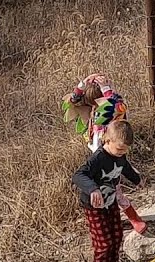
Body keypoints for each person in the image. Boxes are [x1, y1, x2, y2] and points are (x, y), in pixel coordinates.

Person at [62, 73, 148, 234]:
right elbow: (72, 101)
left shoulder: (111, 110)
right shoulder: (93, 109)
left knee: (116, 190)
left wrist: (105, 89)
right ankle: (112, 220)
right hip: (98, 154)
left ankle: (133, 218)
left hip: (113, 153)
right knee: (104, 192)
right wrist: (82, 85)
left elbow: (116, 106)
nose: (95, 104)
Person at [72, 119, 142, 262]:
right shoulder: (98, 158)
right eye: (119, 149)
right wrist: (93, 189)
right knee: (103, 243)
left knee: (117, 237)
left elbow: (125, 167)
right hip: (95, 208)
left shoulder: (120, 155)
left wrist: (137, 180)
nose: (121, 153)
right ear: (107, 140)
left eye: (125, 150)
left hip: (111, 203)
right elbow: (78, 175)